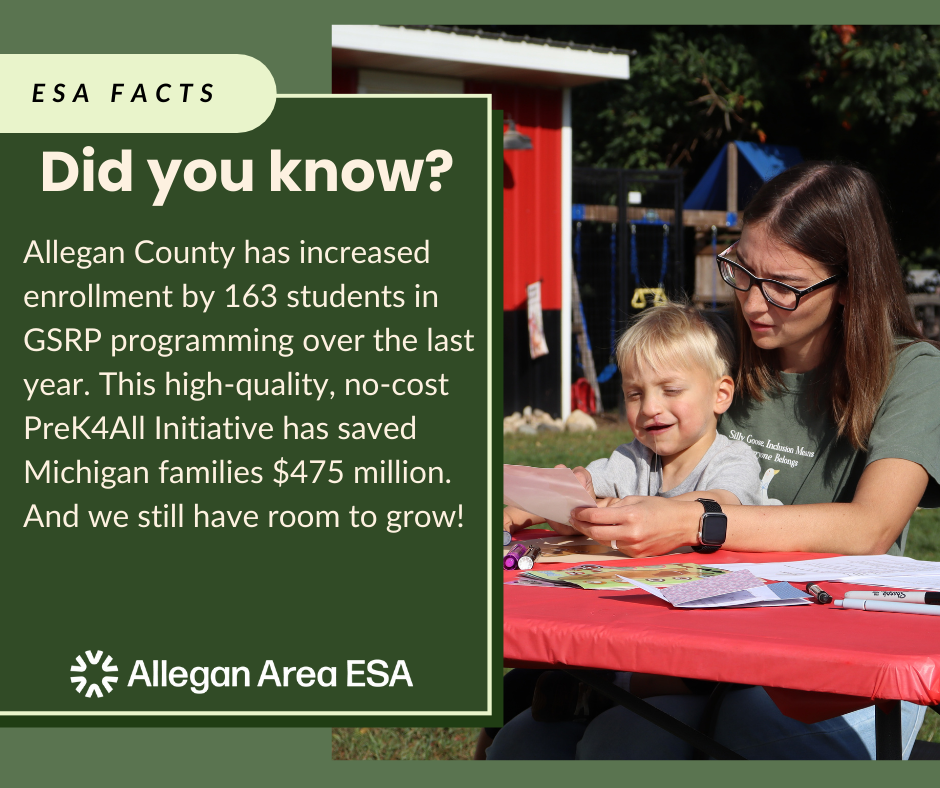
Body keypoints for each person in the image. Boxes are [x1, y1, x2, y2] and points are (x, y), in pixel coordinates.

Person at [488, 162, 940, 760]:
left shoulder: (912, 372)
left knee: (726, 722)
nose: (753, 302)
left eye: (783, 285)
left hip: (837, 658)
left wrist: (694, 521)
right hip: (696, 632)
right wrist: (563, 499)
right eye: (742, 270)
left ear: (850, 285)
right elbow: (641, 464)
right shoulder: (720, 348)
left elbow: (871, 527)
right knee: (526, 741)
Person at [504, 301, 767, 539]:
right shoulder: (633, 459)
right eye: (635, 394)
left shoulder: (733, 459)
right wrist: (515, 516)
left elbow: (721, 504)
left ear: (720, 395)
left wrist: (620, 507)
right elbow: (577, 500)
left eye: (671, 390)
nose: (650, 407)